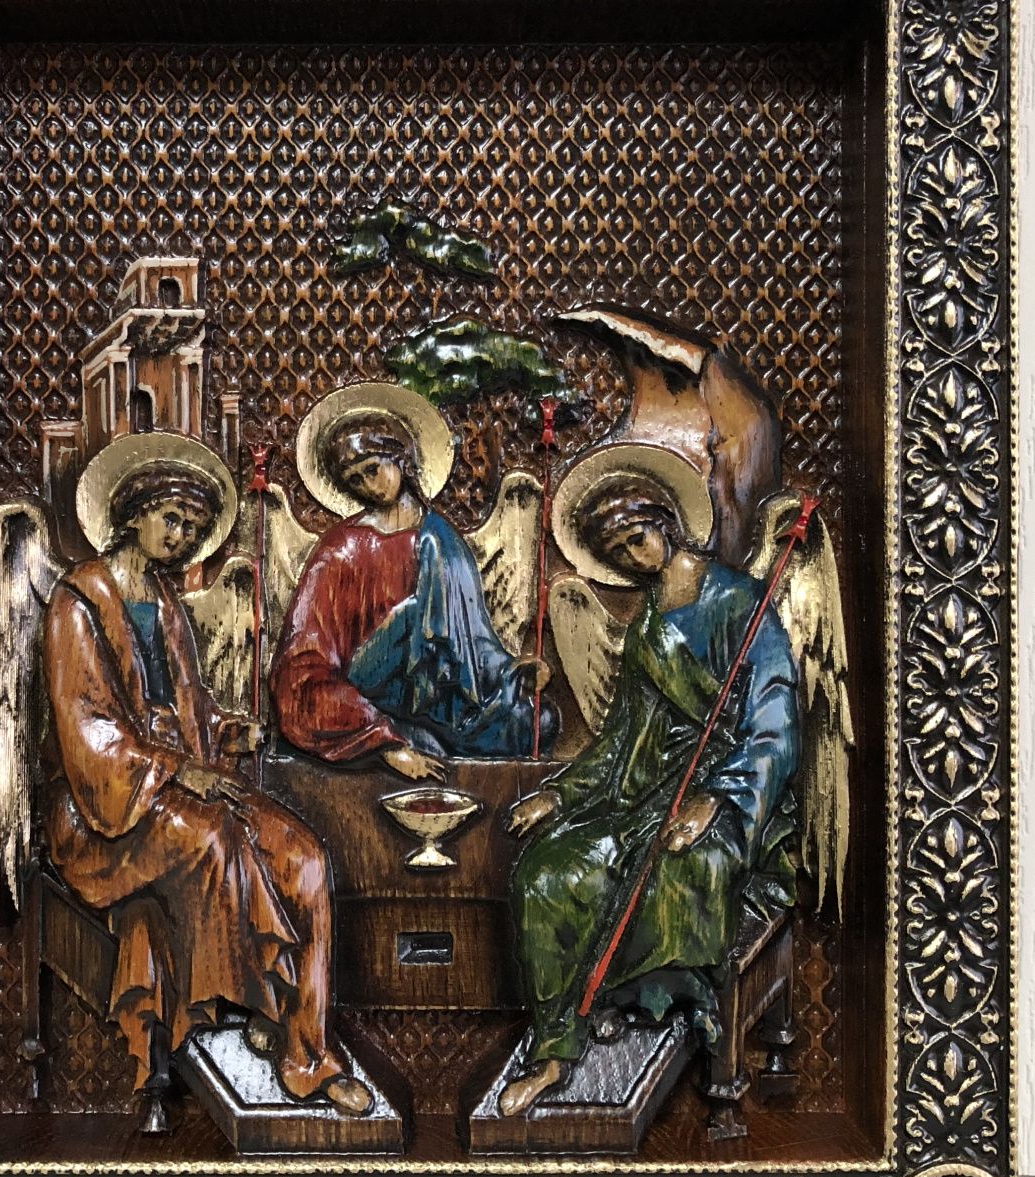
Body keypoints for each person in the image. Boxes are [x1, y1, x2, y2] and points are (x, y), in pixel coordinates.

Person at [41, 431, 371, 1115]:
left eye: (193, 529)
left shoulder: (163, 601)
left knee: (306, 861)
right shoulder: (78, 601)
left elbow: (181, 704)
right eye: (172, 519)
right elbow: (89, 733)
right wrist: (176, 770)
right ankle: (266, 1007)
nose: (182, 537)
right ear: (133, 514)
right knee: (216, 838)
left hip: (186, 780)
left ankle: (309, 1053)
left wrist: (224, 730)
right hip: (110, 808)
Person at [500, 442, 800, 1117]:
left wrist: (716, 799)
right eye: (619, 553)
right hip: (644, 790)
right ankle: (555, 1048)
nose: (636, 558)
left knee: (672, 869)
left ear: (667, 523)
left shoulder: (739, 602)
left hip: (730, 794)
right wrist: (560, 794)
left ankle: (648, 1002)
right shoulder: (647, 626)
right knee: (548, 873)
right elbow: (621, 739)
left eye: (638, 538)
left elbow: (775, 720)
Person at [271, 382, 553, 781]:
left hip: (440, 697)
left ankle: (437, 727)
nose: (369, 486)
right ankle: (400, 732)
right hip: (364, 700)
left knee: (540, 720)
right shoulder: (340, 550)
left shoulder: (441, 539)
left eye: (373, 469)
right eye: (355, 480)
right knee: (413, 619)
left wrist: (512, 672)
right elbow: (301, 667)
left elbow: (473, 642)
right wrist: (382, 741)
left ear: (401, 458)